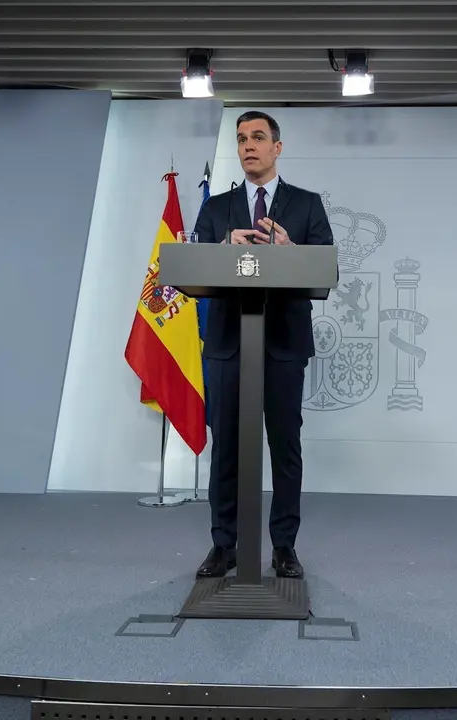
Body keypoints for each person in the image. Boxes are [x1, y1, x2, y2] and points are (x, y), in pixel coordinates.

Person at [193, 110, 334, 580]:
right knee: (226, 446)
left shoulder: (308, 205)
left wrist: (291, 253)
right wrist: (224, 252)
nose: (248, 145)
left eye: (258, 137)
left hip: (283, 345)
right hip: (228, 344)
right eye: (240, 139)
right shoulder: (216, 209)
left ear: (277, 147)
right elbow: (192, 278)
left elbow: (326, 273)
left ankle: (284, 547)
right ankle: (223, 544)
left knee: (284, 445)